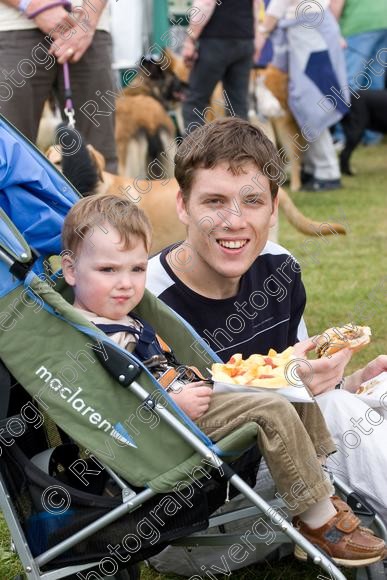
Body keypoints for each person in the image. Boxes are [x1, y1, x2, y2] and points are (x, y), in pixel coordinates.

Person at [61, 197, 385, 565]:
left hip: (191, 398)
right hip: (167, 427)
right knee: (272, 408)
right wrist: (165, 404)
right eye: (107, 270)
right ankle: (316, 519)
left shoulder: (120, 315)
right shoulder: (85, 335)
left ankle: (324, 484)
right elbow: (100, 409)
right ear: (71, 270)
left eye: (136, 270)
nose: (125, 284)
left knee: (288, 387)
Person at [145, 117, 387, 529]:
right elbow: (149, 437)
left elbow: (304, 385)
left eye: (253, 201)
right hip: (201, 506)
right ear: (183, 206)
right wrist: (303, 387)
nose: (234, 221)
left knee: (369, 392)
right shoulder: (145, 298)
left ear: (274, 207)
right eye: (214, 201)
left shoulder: (279, 266)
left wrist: (348, 380)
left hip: (294, 467)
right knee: (339, 410)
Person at [0, 0, 117, 172]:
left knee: (100, 161)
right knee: (8, 158)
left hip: (89, 30)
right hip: (13, 26)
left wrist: (87, 22)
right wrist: (31, 5)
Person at [254, 0, 347, 191]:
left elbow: (279, 4)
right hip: (309, 30)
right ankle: (314, 168)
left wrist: (262, 32)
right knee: (307, 105)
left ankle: (327, 172)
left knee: (312, 105)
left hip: (310, 32)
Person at [181, 0, 258, 128]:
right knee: (238, 106)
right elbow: (257, 6)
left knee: (195, 102)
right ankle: (241, 147)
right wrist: (255, 39)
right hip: (245, 40)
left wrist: (190, 39)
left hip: (214, 41)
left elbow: (205, 3)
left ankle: (194, 146)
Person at [330, 0, 387, 146]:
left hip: (358, 24)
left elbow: (336, 2)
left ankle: (343, 135)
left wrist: (332, 30)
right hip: (383, 20)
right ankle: (372, 136)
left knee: (349, 82)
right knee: (374, 80)